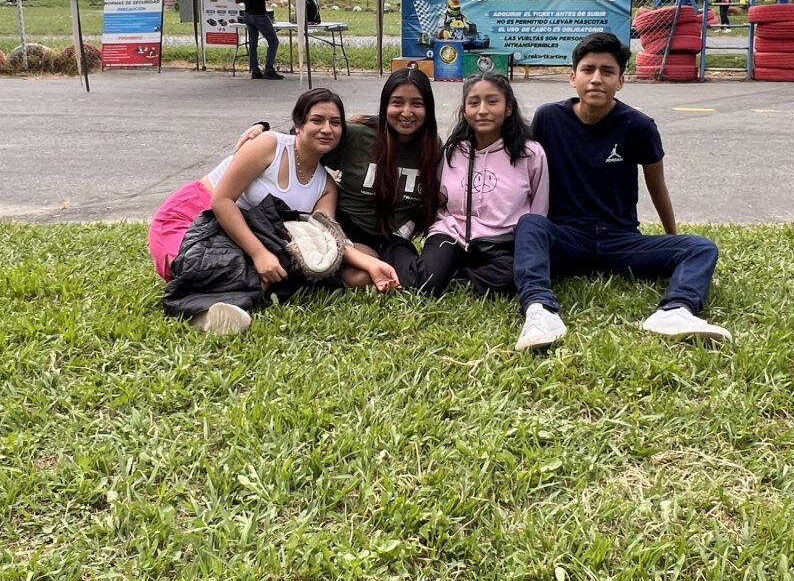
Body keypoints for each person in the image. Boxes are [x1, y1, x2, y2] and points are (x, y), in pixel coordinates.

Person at [514, 31, 729, 351]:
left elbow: (658, 186)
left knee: (700, 248)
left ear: (621, 81)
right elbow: (525, 175)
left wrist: (673, 240)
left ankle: (675, 311)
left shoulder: (638, 125)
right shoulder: (548, 117)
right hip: (566, 238)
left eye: (607, 71)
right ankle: (540, 311)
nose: (597, 79)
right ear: (573, 78)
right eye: (588, 70)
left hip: (621, 241)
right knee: (530, 224)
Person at [151, 87, 401, 331]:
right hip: (193, 215)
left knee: (278, 272)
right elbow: (222, 201)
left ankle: (216, 313)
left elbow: (327, 238)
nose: (327, 129)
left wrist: (370, 264)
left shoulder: (326, 186)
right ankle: (204, 308)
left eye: (335, 123)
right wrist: (259, 254)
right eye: (317, 120)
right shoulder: (270, 145)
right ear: (299, 124)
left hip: (240, 235)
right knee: (198, 268)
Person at [234, 65, 442, 288]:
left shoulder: (432, 148)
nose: (407, 112)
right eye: (397, 102)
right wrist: (262, 128)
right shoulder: (358, 135)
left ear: (428, 108)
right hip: (350, 229)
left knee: (411, 280)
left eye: (417, 104)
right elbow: (304, 141)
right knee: (358, 277)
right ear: (385, 105)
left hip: (394, 238)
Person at [418, 71, 548, 298]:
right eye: (474, 103)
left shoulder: (530, 154)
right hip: (453, 235)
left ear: (508, 108)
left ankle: (461, 278)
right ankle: (442, 268)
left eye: (492, 101)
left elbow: (538, 210)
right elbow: (439, 200)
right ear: (465, 111)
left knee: (513, 278)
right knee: (426, 283)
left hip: (502, 242)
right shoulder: (453, 151)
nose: (483, 111)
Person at [235, 0, 281, 79]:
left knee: (253, 43)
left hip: (247, 14)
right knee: (273, 41)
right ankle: (269, 69)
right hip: (259, 13)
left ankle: (255, 70)